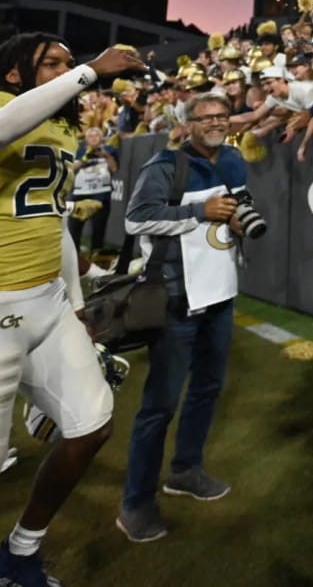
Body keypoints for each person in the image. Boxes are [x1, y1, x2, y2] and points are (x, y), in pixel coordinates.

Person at [0, 34, 145, 586]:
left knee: (91, 425)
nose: (65, 71)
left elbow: (53, 220)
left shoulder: (60, 127)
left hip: (48, 301)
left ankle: (20, 550)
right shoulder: (9, 108)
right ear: (15, 74)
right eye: (50, 64)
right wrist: (88, 69)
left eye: (67, 61)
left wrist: (79, 303)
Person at [117, 93, 247, 544]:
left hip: (221, 294)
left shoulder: (233, 159)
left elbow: (236, 206)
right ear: (188, 123)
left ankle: (185, 471)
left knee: (208, 389)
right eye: (206, 117)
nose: (215, 122)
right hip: (175, 297)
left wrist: (238, 222)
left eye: (221, 116)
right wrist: (199, 212)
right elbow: (135, 220)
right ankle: (135, 503)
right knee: (159, 405)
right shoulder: (165, 165)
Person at [67, 127, 118, 252]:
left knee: (99, 229)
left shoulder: (110, 150)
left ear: (101, 138)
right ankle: (74, 256)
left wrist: (106, 155)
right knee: (74, 229)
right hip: (80, 194)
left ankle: (96, 257)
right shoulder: (78, 150)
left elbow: (115, 169)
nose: (93, 138)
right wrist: (85, 158)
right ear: (86, 139)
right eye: (90, 136)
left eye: (96, 135)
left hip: (101, 194)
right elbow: (72, 169)